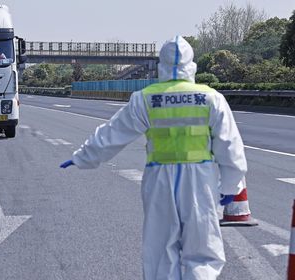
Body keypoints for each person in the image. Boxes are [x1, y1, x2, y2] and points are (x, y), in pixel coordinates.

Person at [60, 36, 247, 279]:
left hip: (159, 178)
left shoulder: (145, 98)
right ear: (192, 64)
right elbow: (230, 145)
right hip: (200, 179)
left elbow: (113, 134)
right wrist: (231, 184)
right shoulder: (211, 98)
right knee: (202, 251)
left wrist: (83, 157)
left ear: (161, 64)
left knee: (160, 251)